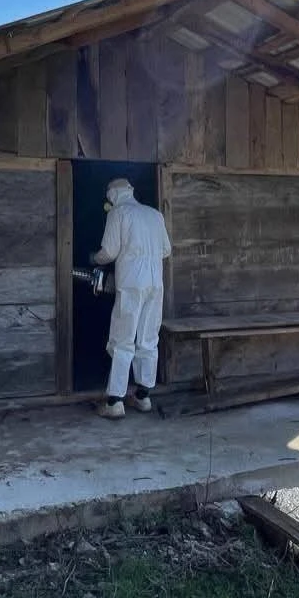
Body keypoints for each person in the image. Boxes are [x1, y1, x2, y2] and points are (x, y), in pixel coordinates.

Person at [91, 178, 172, 419]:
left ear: (113, 194)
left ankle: (115, 401)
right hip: (155, 284)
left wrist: (95, 259)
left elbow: (109, 251)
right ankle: (143, 396)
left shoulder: (118, 213)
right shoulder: (155, 215)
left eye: (109, 196)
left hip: (131, 284)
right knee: (148, 337)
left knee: (123, 338)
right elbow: (166, 250)